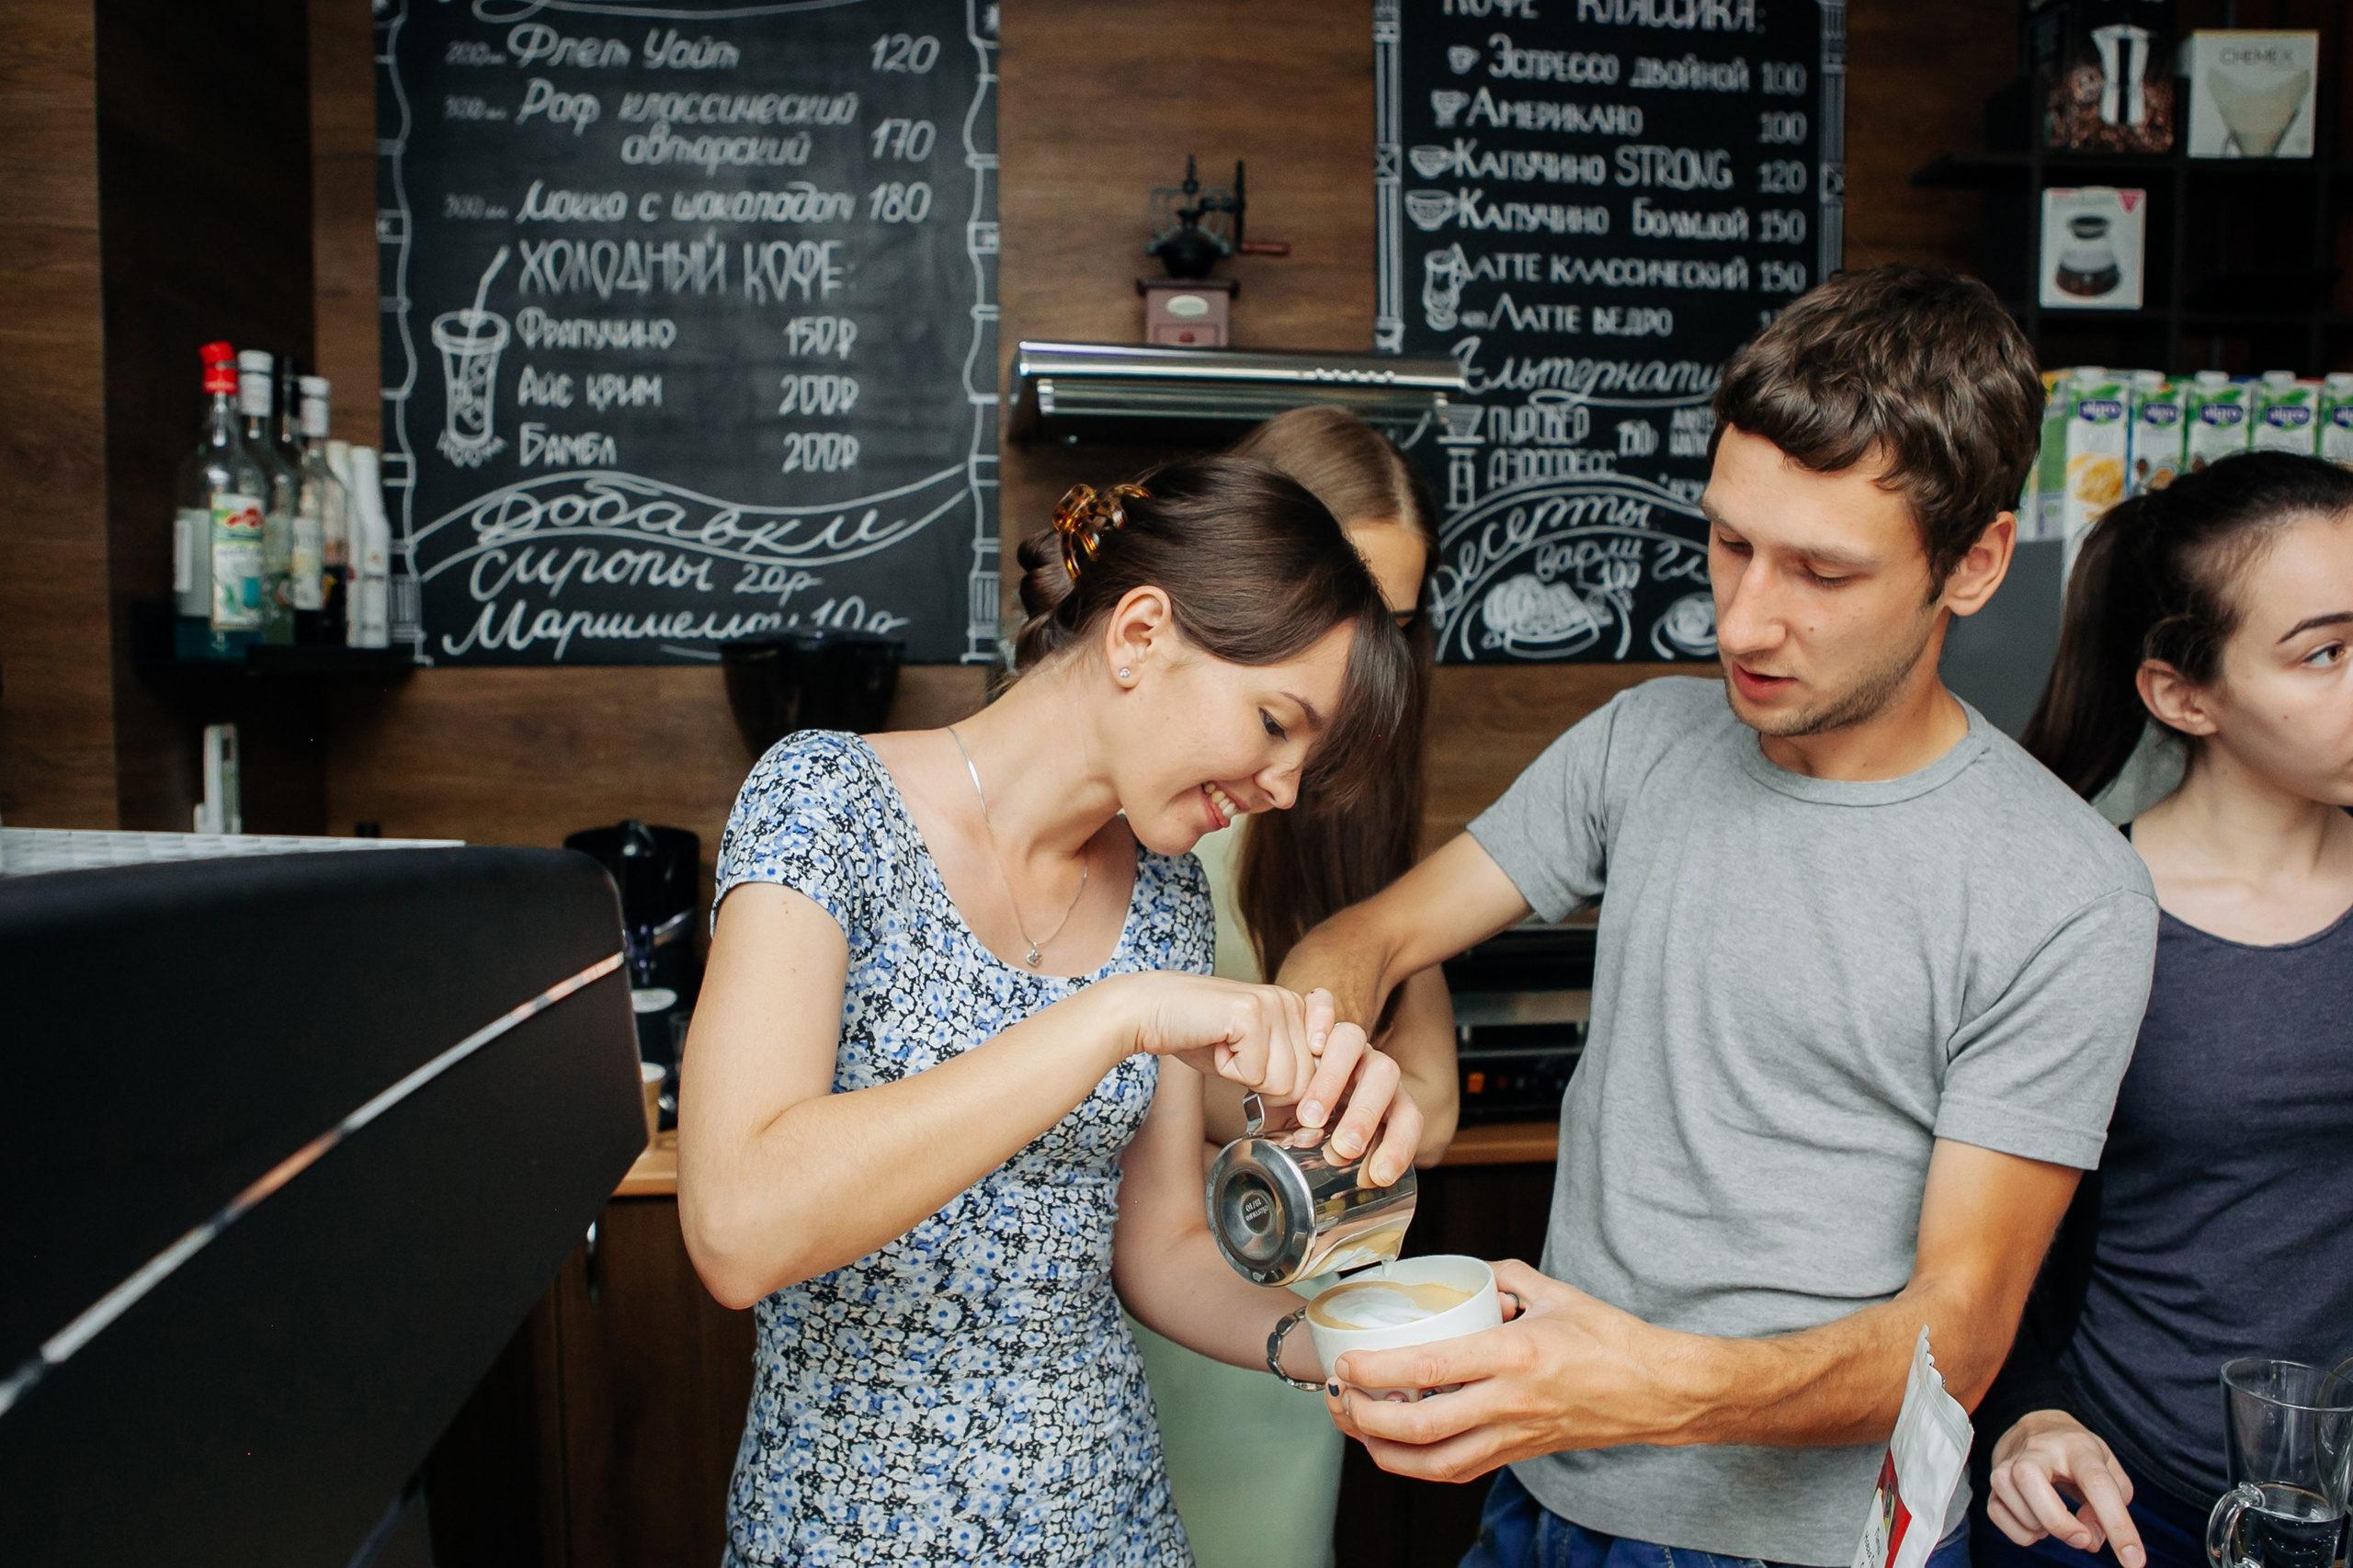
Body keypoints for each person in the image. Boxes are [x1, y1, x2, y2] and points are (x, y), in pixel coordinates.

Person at [1275, 265, 2164, 1568]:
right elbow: (1367, 937)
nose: (1742, 617)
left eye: (1821, 569)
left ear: (1971, 562)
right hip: (1544, 1502)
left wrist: (1638, 1386)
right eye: (1730, 539)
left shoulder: (2066, 887)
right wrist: (1327, 1051)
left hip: (1807, 1546)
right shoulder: (1645, 741)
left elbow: (1959, 1336)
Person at [676, 455, 1427, 1566]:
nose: (1283, 787)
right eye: (1276, 722)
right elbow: (738, 1228)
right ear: (1138, 635)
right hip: (850, 1534)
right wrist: (1111, 1016)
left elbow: (1160, 1248)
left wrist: (1368, 1340)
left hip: (1110, 1527)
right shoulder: (824, 802)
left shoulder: (1164, 887)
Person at [1971, 452, 2353, 1568]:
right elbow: (1987, 1245)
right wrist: (2027, 1414)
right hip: (2130, 1509)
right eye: (2324, 652)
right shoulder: (2086, 917)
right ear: (2182, 694)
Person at [1131, 408, 1461, 1568]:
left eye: (1396, 627)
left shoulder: (1350, 806)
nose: (1365, 667)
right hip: (1152, 1288)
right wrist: (1331, 1101)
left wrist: (1272, 1099)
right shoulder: (1170, 795)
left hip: (1295, 1283)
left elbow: (1432, 1095)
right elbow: (1130, 1091)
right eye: (1345, 608)